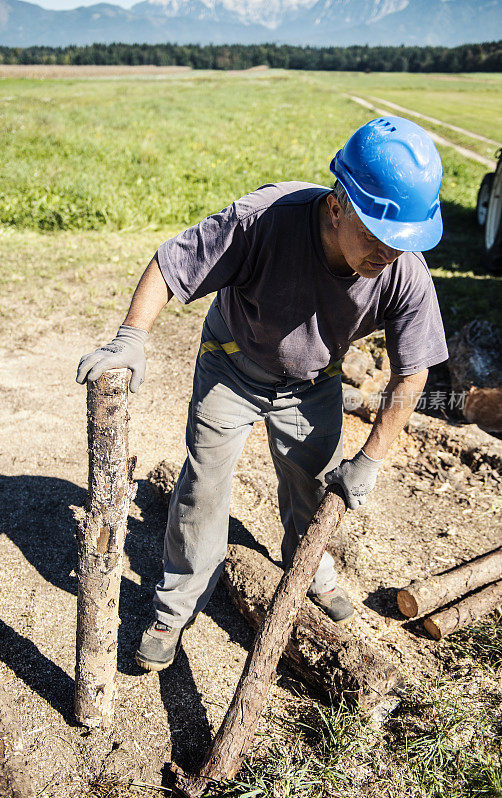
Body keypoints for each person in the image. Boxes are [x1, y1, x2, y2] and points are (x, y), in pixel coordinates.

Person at [77, 116, 448, 673]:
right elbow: (172, 262)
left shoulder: (403, 272)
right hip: (232, 364)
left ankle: (310, 564)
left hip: (312, 382)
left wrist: (370, 459)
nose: (388, 254)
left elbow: (411, 374)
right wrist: (131, 337)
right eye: (379, 236)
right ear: (337, 203)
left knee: (315, 481)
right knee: (204, 484)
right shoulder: (264, 220)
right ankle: (176, 607)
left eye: (403, 241)